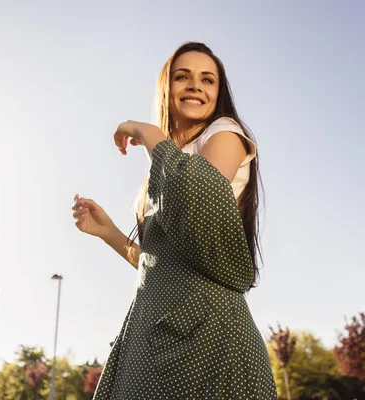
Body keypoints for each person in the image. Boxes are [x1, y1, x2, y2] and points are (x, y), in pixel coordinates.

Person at [72, 42, 277, 399]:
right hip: (152, 331)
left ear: (218, 92)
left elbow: (198, 202)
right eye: (183, 77)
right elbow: (161, 264)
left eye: (207, 79)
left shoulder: (224, 133)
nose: (196, 85)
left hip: (206, 334)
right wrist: (108, 232)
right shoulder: (168, 161)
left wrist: (150, 135)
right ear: (166, 88)